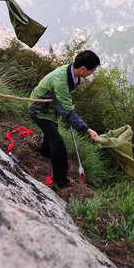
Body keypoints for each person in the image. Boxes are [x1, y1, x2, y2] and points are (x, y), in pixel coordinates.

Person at [29, 50, 100, 188]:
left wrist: (60, 106)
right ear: (83, 68)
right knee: (59, 144)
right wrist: (87, 130)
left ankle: (44, 151)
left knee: (52, 133)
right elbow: (68, 112)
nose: (92, 73)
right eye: (92, 70)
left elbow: (63, 102)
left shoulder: (71, 72)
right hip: (39, 109)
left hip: (50, 109)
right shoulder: (61, 81)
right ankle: (61, 182)